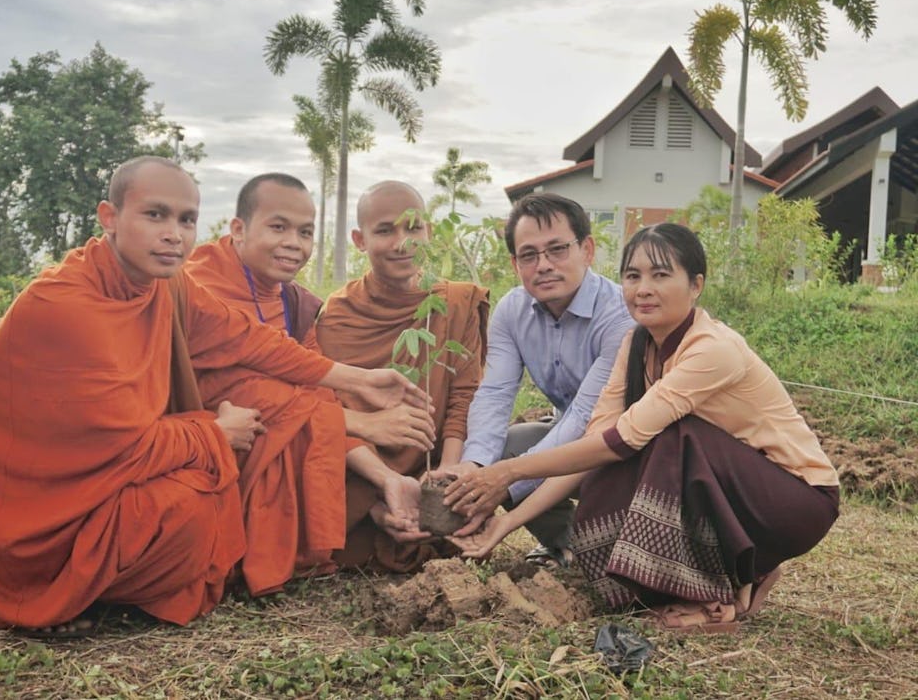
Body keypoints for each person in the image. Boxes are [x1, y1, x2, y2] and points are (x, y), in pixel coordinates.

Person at [0, 156, 427, 634]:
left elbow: (242, 337)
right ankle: (57, 591)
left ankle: (112, 585)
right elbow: (127, 446)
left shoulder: (164, 286)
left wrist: (353, 378)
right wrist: (216, 432)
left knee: (206, 496)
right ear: (109, 218)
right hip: (28, 523)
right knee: (197, 504)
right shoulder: (66, 306)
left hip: (99, 485)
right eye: (155, 215)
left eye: (186, 219)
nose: (174, 233)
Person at [449, 223, 840, 633]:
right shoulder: (635, 345)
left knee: (673, 437)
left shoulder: (713, 348)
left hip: (796, 500)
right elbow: (596, 446)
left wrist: (508, 471)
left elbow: (622, 440)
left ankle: (715, 596)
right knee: (627, 458)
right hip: (733, 493)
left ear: (696, 285)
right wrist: (506, 524)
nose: (643, 289)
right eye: (633, 276)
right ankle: (740, 572)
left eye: (661, 275)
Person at [186, 173, 438, 584]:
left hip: (267, 446)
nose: (294, 243)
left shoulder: (295, 304)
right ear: (238, 228)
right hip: (204, 447)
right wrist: (360, 419)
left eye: (305, 232)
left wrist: (388, 478)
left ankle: (354, 516)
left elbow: (316, 395)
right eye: (278, 227)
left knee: (303, 401)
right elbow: (221, 390)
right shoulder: (198, 284)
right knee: (257, 395)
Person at [439, 193, 632, 567]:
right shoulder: (512, 311)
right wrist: (476, 469)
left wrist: (503, 483)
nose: (543, 265)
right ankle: (571, 548)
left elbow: (584, 420)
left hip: (624, 450)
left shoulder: (620, 315)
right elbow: (494, 393)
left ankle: (622, 552)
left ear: (587, 250)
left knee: (521, 464)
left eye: (558, 249)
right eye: (529, 255)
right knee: (510, 445)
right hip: (569, 443)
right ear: (515, 263)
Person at [315, 181, 489, 572]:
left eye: (413, 229)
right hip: (362, 470)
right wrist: (379, 493)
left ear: (429, 231)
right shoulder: (339, 315)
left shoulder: (455, 302)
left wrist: (445, 478)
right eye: (384, 230)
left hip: (434, 465)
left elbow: (464, 395)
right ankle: (376, 515)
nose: (401, 243)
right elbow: (333, 411)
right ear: (359, 239)